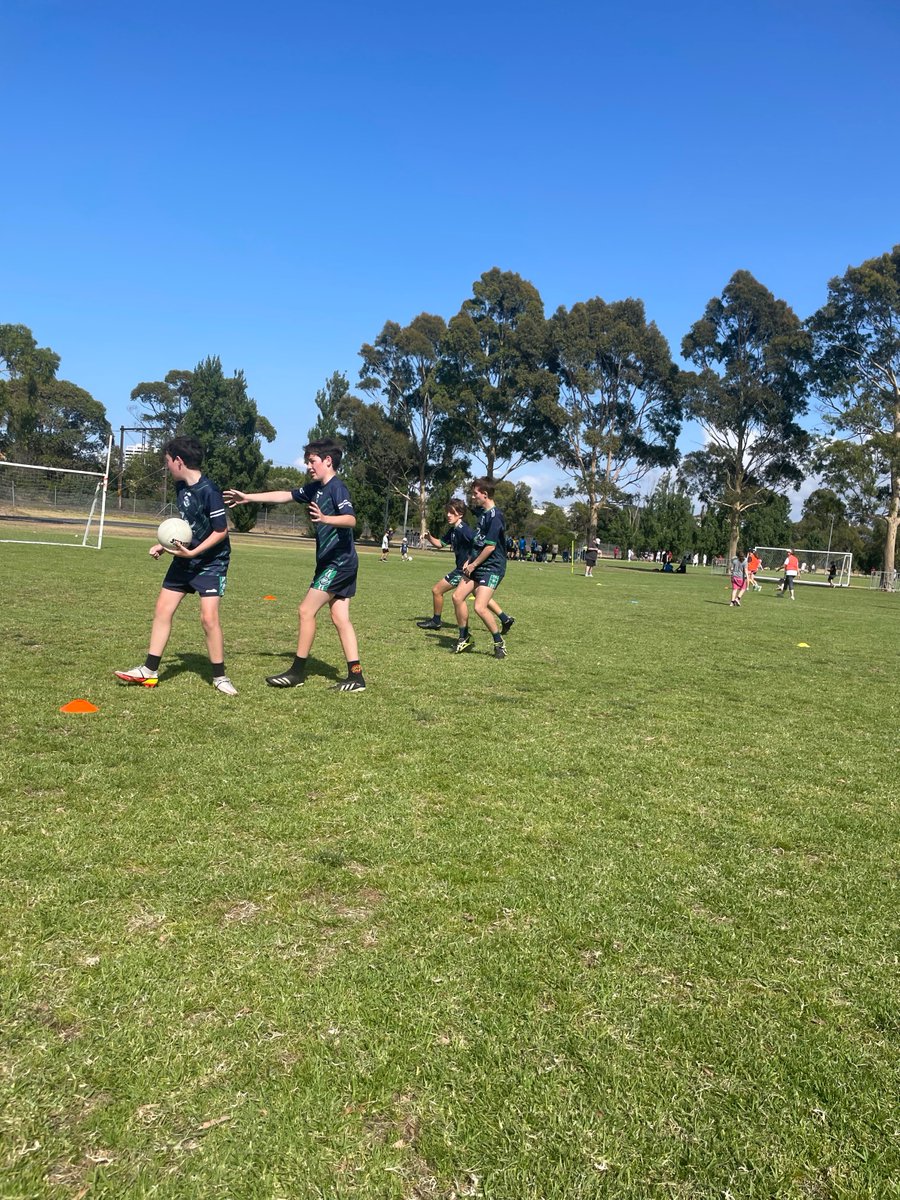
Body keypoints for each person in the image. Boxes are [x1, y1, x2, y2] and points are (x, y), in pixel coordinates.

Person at [224, 438, 366, 692]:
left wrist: (325, 518)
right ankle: (356, 676)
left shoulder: (337, 488)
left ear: (327, 461)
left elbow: (351, 519)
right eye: (307, 462)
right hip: (334, 563)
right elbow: (285, 495)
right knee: (339, 617)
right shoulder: (315, 488)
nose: (309, 466)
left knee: (305, 610)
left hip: (338, 562)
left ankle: (297, 671)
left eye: (312, 461)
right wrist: (249, 497)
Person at [115, 436, 237, 695]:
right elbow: (188, 527)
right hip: (184, 558)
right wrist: (166, 545)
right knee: (162, 609)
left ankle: (220, 677)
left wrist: (193, 552)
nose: (167, 466)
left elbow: (220, 531)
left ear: (179, 461)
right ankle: (149, 671)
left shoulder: (210, 491)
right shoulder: (181, 489)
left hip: (211, 562)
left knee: (208, 618)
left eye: (168, 461)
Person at [417, 498, 514, 634]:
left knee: (437, 590)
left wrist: (470, 561)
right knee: (480, 595)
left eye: (452, 512)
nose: (448, 515)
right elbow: (440, 544)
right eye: (447, 512)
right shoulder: (453, 530)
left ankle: (436, 621)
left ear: (460, 514)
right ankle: (505, 619)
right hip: (466, 570)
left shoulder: (465, 531)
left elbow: (479, 545)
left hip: (463, 571)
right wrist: (429, 538)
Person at [451, 478, 509, 659]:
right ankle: (464, 636)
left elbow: (490, 547)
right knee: (457, 596)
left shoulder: (495, 517)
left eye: (475, 493)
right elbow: (478, 543)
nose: (473, 496)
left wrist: (474, 564)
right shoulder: (483, 514)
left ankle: (499, 642)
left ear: (485, 494)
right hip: (477, 564)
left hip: (492, 567)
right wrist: (469, 560)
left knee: (479, 607)